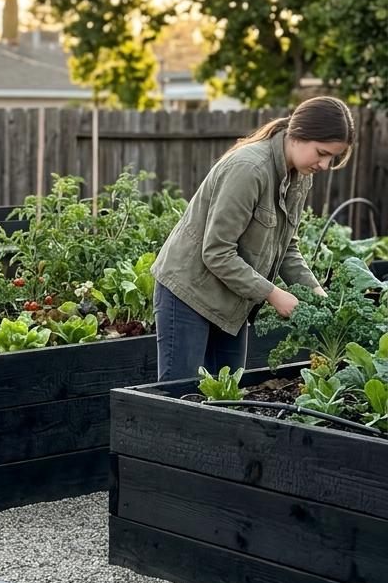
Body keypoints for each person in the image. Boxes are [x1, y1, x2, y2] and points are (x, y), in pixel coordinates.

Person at [151, 95, 355, 382]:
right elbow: (217, 251)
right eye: (321, 153)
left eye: (332, 157)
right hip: (188, 293)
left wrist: (315, 291)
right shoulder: (250, 169)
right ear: (297, 135)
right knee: (179, 398)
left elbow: (286, 246)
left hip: (232, 299)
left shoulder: (299, 176)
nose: (324, 164)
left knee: (229, 398)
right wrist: (272, 293)